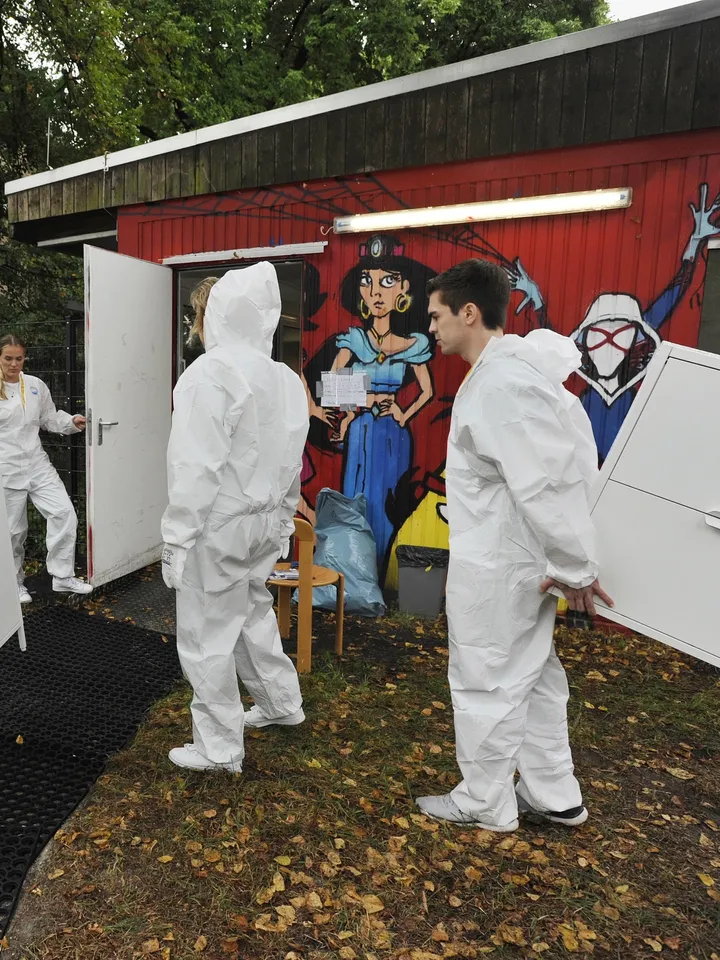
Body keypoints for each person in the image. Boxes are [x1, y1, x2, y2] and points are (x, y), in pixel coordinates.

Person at [419, 258, 613, 832]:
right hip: (520, 560)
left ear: (469, 312)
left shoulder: (502, 383)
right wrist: (566, 561)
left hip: (501, 566)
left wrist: (576, 565)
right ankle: (555, 794)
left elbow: (546, 480)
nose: (431, 327)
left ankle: (483, 801)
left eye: (436, 315)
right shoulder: (514, 375)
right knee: (535, 676)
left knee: (486, 676)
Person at [160, 262, 309, 773]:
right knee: (251, 611)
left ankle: (218, 748)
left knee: (206, 631)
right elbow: (293, 461)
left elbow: (195, 465)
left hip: (219, 523)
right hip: (265, 521)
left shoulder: (210, 372)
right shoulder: (286, 379)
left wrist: (177, 537)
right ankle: (281, 703)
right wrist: (286, 520)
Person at [318, 235, 437, 577]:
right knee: (357, 499)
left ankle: (378, 576)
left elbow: (426, 391)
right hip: (360, 433)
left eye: (387, 282)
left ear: (403, 289)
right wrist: (366, 400)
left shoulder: (412, 345)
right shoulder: (354, 340)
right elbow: (331, 384)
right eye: (367, 282)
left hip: (392, 438)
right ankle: (352, 574)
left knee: (386, 505)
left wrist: (403, 412)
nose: (376, 292)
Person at [0, 334, 92, 603]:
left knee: (65, 513)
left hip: (37, 464)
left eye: (18, 358)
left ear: (24, 357)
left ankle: (62, 575)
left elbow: (48, 417)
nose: (13, 363)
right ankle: (14, 582)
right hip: (3, 468)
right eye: (8, 358)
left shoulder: (34, 385)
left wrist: (71, 422)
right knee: (12, 531)